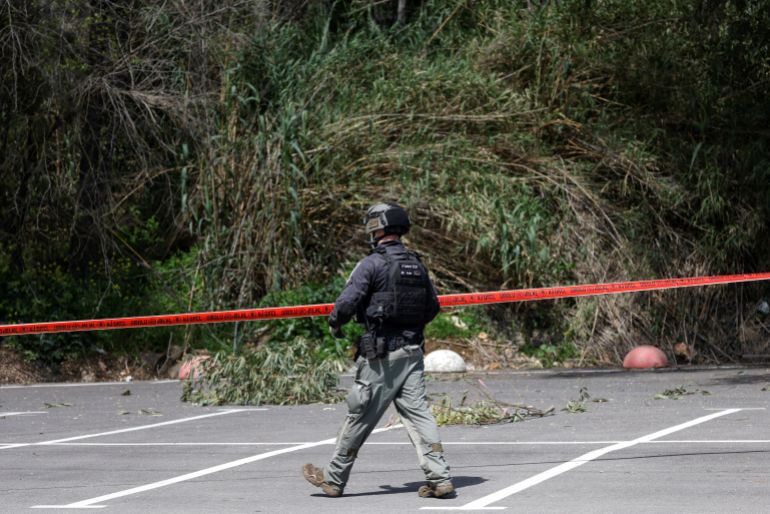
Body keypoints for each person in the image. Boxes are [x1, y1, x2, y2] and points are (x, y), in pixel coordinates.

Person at [303, 202, 454, 499]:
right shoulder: (417, 264)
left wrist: (336, 323)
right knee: (419, 415)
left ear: (377, 228)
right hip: (413, 353)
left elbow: (347, 302)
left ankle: (333, 479)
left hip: (382, 357)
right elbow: (433, 306)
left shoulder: (372, 264)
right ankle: (440, 478)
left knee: (360, 415)